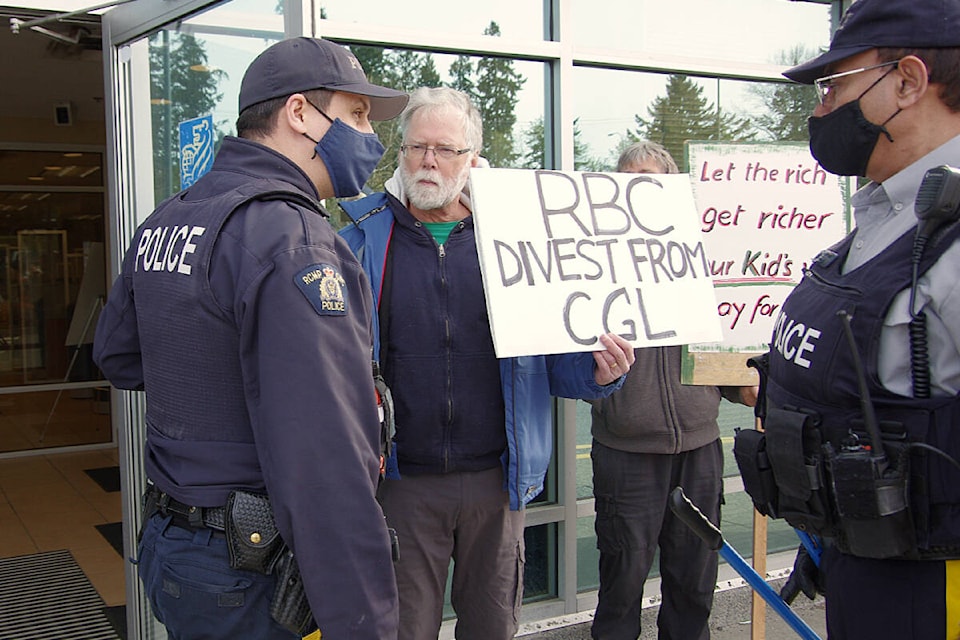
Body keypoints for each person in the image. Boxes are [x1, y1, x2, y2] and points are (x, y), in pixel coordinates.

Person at [92, 37, 408, 639]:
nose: (370, 136)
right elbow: (326, 458)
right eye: (358, 114)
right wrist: (366, 623)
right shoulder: (292, 239)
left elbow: (119, 357)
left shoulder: (171, 217)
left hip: (174, 548)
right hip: (247, 571)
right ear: (299, 114)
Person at [338, 86, 636, 640]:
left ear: (473, 157)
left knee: (492, 627)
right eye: (416, 146)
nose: (429, 160)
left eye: (446, 149)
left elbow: (551, 354)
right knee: (404, 631)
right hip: (400, 486)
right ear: (399, 152)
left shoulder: (517, 236)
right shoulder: (358, 240)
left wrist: (597, 372)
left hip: (496, 485)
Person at [738, 1, 960, 638]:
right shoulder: (882, 224)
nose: (821, 106)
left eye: (836, 84)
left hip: (933, 589)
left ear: (909, 81)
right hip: (859, 566)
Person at [588, 142, 756, 640]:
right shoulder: (589, 259)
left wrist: (743, 384)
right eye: (628, 177)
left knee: (694, 582)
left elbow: (716, 348)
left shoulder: (700, 257)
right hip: (625, 452)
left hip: (700, 448)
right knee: (621, 585)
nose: (639, 186)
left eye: (650, 178)